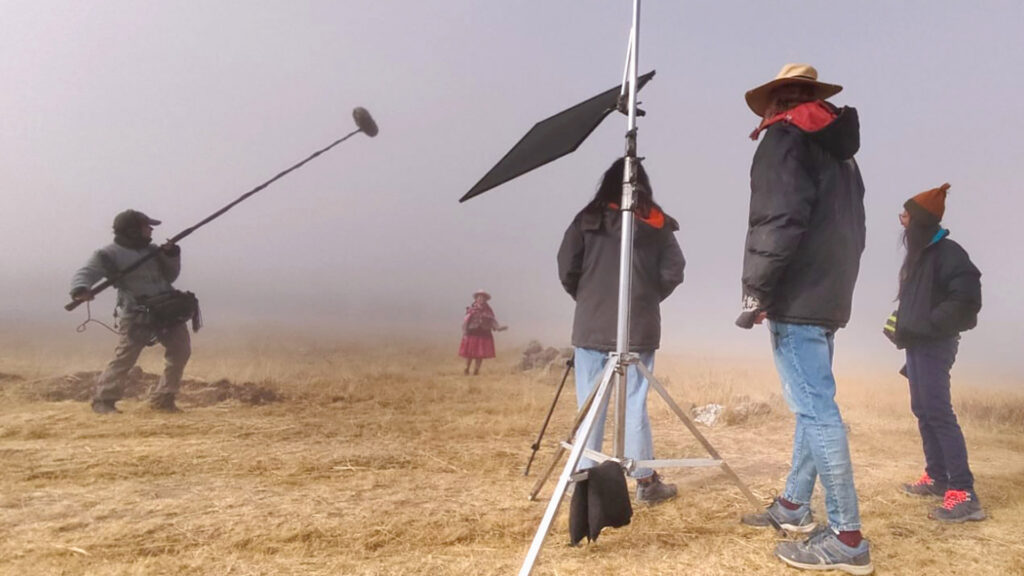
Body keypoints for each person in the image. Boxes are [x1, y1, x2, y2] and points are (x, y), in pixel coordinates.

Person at [736, 64, 873, 575]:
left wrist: (756, 291)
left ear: (777, 101)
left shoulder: (784, 139)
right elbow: (854, 228)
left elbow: (777, 218)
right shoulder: (841, 153)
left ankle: (847, 537)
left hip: (797, 294)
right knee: (813, 404)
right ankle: (794, 505)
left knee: (817, 411)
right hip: (828, 294)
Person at [557, 157, 685, 505]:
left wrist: (587, 299)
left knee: (590, 404)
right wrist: (645, 297)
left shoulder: (587, 219)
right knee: (634, 403)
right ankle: (645, 481)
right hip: (638, 328)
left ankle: (583, 481)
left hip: (592, 326)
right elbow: (674, 271)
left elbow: (567, 266)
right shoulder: (656, 223)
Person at [884, 183, 985, 522]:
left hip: (936, 344)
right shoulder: (921, 254)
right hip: (917, 344)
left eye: (906, 216)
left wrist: (925, 324)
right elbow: (916, 304)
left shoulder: (950, 254)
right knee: (923, 409)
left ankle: (964, 493)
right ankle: (938, 477)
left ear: (922, 221)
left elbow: (967, 301)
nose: (902, 222)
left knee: (939, 412)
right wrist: (898, 323)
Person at [70, 209, 193, 414]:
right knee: (126, 357)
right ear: (133, 230)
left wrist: (171, 254)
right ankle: (104, 401)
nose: (151, 229)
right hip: (137, 314)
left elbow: (170, 277)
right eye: (147, 226)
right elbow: (86, 272)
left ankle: (164, 398)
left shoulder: (152, 251)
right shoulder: (108, 254)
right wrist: (80, 289)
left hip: (166, 310)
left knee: (181, 351)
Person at [458, 290, 507, 375]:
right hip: (472, 333)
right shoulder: (471, 309)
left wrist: (499, 328)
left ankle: (476, 370)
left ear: (486, 299)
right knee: (470, 353)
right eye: (479, 297)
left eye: (483, 297)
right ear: (476, 298)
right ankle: (467, 368)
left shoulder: (488, 310)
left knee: (480, 354)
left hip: (484, 334)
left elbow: (492, 321)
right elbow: (466, 321)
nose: (481, 299)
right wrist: (465, 332)